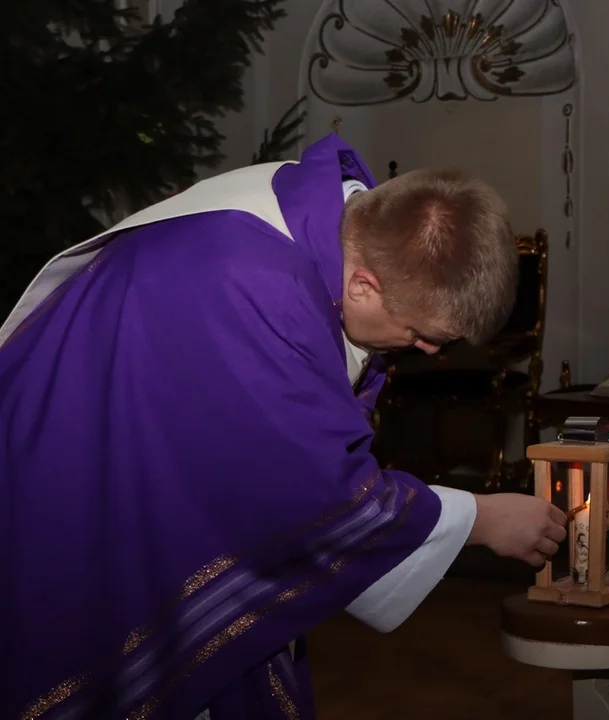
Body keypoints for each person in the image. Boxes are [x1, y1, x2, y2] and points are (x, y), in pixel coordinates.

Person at [0, 133, 567, 719]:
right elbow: (314, 496)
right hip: (72, 494)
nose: (423, 349)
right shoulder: (254, 287)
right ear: (364, 286)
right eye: (423, 334)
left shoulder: (328, 216)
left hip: (132, 461)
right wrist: (479, 518)